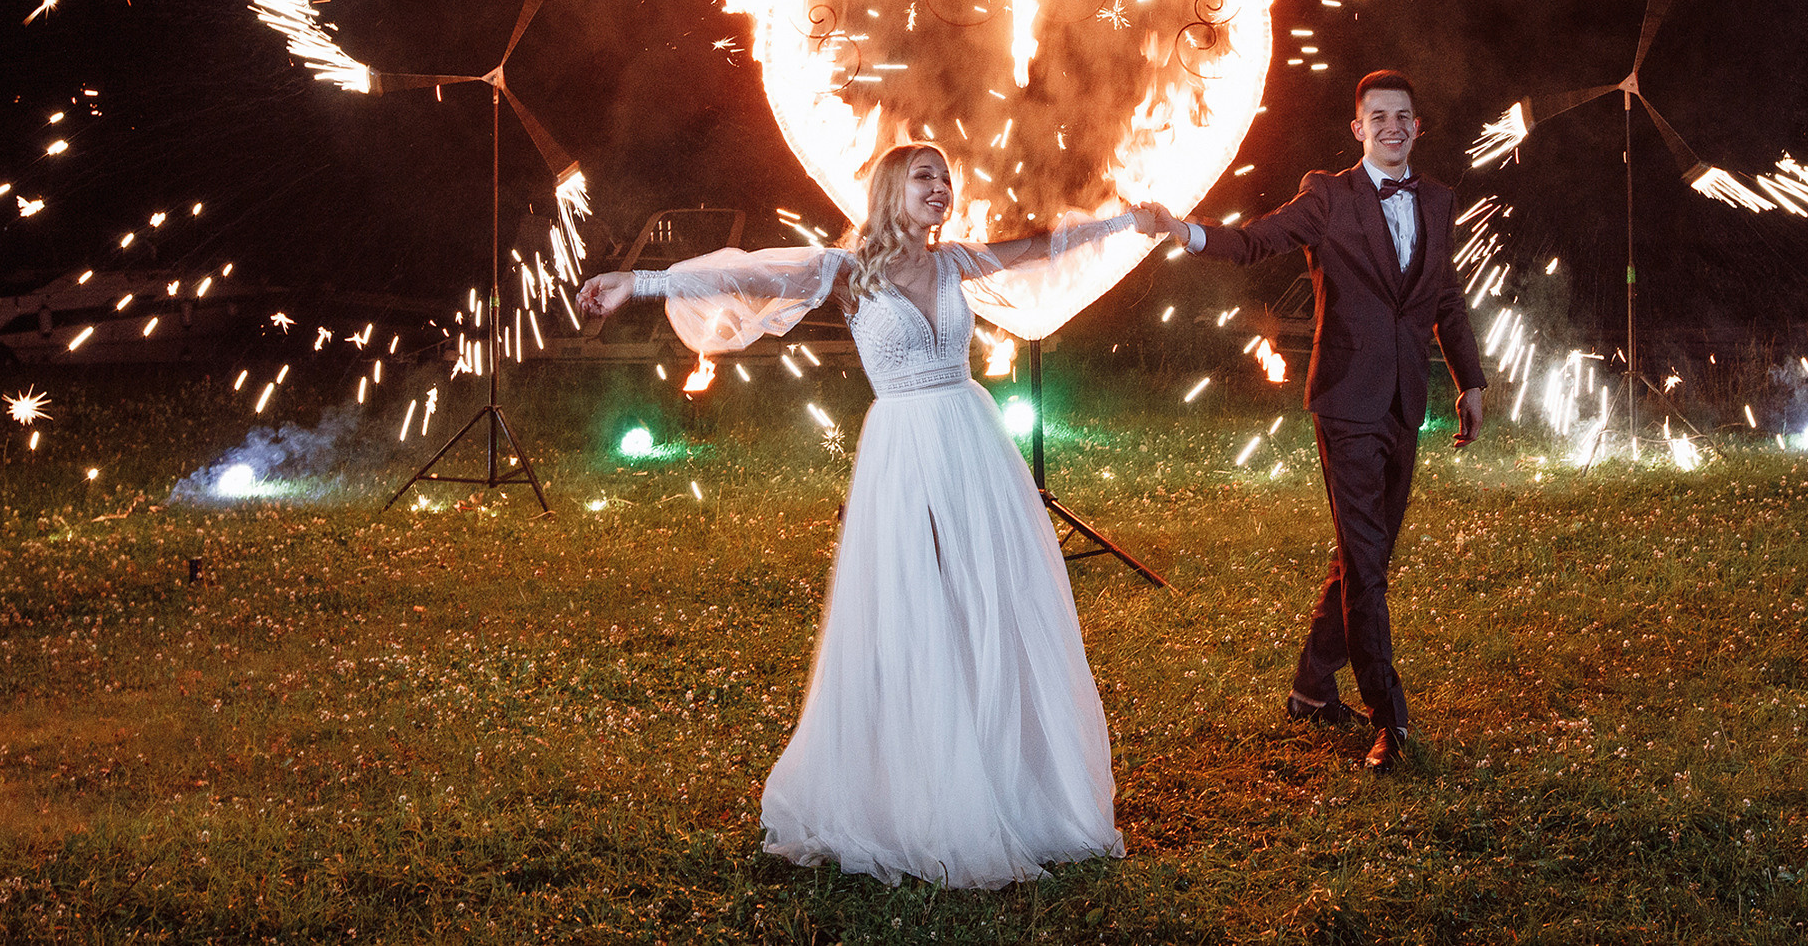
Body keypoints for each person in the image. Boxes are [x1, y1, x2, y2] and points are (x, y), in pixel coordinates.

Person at [578, 145, 1165, 888]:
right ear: (893, 189)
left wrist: (1125, 223)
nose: (941, 189)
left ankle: (1008, 776)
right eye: (925, 177)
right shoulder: (846, 271)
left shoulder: (956, 263)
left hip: (972, 443)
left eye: (946, 178)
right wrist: (640, 280)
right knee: (916, 607)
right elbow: (747, 272)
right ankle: (922, 787)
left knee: (988, 600)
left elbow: (1045, 246)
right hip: (902, 449)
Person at [1142, 70, 1484, 773]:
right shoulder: (1327, 195)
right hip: (1345, 402)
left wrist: (1469, 379)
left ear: (1417, 128)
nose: (1392, 126)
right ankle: (1390, 716)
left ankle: (1310, 685)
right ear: (1357, 129)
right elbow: (1254, 241)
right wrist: (1186, 231)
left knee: (1369, 554)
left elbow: (1445, 293)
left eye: (1404, 117)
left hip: (1403, 402)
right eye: (1378, 117)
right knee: (1367, 564)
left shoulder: (1439, 199)